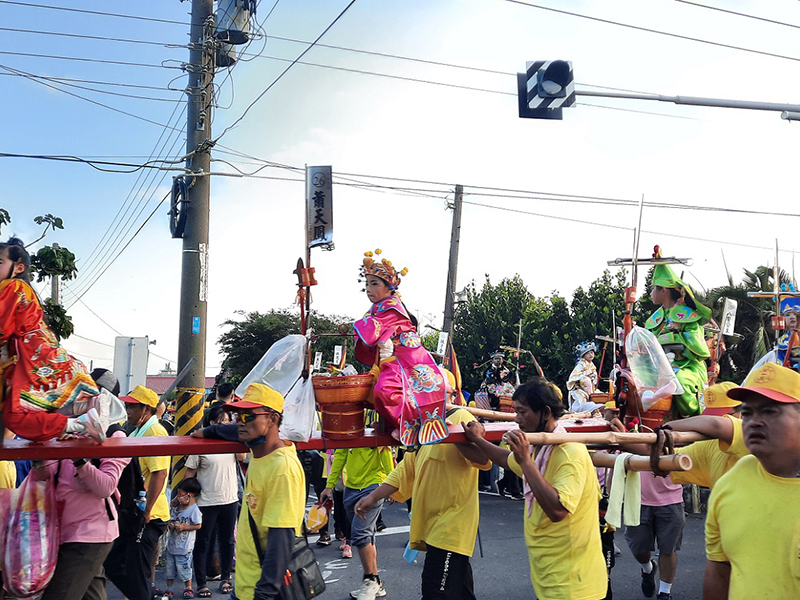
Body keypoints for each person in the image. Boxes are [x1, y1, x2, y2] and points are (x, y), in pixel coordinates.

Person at [463, 377, 606, 600]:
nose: (517, 419)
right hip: (551, 578)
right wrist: (478, 440)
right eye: (515, 412)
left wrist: (526, 462)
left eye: (523, 412)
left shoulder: (569, 453)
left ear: (545, 412)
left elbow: (558, 510)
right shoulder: (540, 449)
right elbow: (507, 459)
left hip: (574, 586)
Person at [354, 403, 491, 600]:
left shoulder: (461, 417)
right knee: (460, 593)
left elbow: (484, 459)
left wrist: (450, 433)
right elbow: (405, 470)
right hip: (432, 527)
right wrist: (373, 497)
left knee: (435, 593)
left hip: (451, 527)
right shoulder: (421, 426)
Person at [194, 383, 305, 600]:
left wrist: (263, 594)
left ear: (272, 419)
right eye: (237, 416)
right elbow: (234, 430)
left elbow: (281, 539)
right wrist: (209, 430)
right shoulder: (260, 449)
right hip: (244, 587)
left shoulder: (282, 468)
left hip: (261, 592)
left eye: (247, 417)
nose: (239, 423)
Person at [704, 363, 800, 599]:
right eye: (747, 413)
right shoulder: (730, 484)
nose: (754, 421)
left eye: (770, 411)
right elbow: (719, 571)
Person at [0, 237, 103, 442]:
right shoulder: (22, 290)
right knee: (19, 415)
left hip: (32, 360)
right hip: (37, 357)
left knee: (15, 416)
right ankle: (81, 414)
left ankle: (78, 421)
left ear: (18, 267)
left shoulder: (13, 287)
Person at [354, 248, 447, 446]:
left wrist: (357, 325)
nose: (369, 289)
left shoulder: (392, 307)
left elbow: (371, 332)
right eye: (367, 284)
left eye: (374, 284)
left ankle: (408, 422)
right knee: (369, 393)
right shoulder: (378, 308)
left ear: (389, 287)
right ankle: (394, 424)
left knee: (385, 390)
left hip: (404, 361)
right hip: (391, 359)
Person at [32, 428, 129, 600]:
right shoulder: (70, 433)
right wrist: (45, 446)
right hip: (64, 533)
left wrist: (78, 457)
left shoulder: (115, 436)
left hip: (89, 535)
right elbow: (42, 475)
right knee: (91, 595)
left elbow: (106, 487)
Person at [105, 385, 170, 600]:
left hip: (149, 514)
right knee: (114, 564)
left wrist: (148, 510)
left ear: (146, 409)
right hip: (136, 512)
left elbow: (160, 473)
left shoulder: (155, 431)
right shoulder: (138, 430)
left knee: (138, 574)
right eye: (127, 406)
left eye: (133, 406)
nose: (128, 410)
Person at [320, 444, 394, 600]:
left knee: (360, 535)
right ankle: (376, 582)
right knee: (367, 537)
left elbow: (386, 454)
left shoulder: (374, 428)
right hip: (350, 488)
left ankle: (370, 581)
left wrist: (392, 486)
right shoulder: (347, 431)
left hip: (372, 486)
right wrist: (329, 485)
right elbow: (339, 456)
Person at [643, 247, 711, 417]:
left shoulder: (688, 316)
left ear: (663, 290)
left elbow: (698, 348)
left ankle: (690, 417)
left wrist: (669, 341)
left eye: (653, 288)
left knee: (679, 382)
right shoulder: (655, 319)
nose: (651, 293)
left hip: (687, 366)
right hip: (661, 367)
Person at [185, 405, 242, 598]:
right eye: (220, 422)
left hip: (230, 499)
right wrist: (187, 499)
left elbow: (242, 457)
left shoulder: (231, 442)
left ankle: (226, 578)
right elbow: (189, 473)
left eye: (227, 422)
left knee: (228, 541)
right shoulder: (201, 445)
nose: (224, 426)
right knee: (203, 542)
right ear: (211, 423)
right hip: (206, 502)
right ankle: (201, 583)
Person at [166, 478, 203, 600]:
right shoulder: (177, 508)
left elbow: (198, 525)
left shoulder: (194, 510)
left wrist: (184, 527)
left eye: (181, 494)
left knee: (185, 568)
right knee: (170, 569)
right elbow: (171, 519)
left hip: (184, 547)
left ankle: (188, 587)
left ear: (190, 495)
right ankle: (169, 588)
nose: (178, 497)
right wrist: (171, 524)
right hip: (172, 545)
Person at [567, 341, 599, 411]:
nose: (591, 354)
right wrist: (585, 375)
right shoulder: (581, 364)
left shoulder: (592, 365)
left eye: (592, 352)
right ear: (583, 355)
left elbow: (594, 375)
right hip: (580, 388)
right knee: (581, 398)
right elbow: (573, 376)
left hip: (590, 388)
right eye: (587, 353)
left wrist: (593, 376)